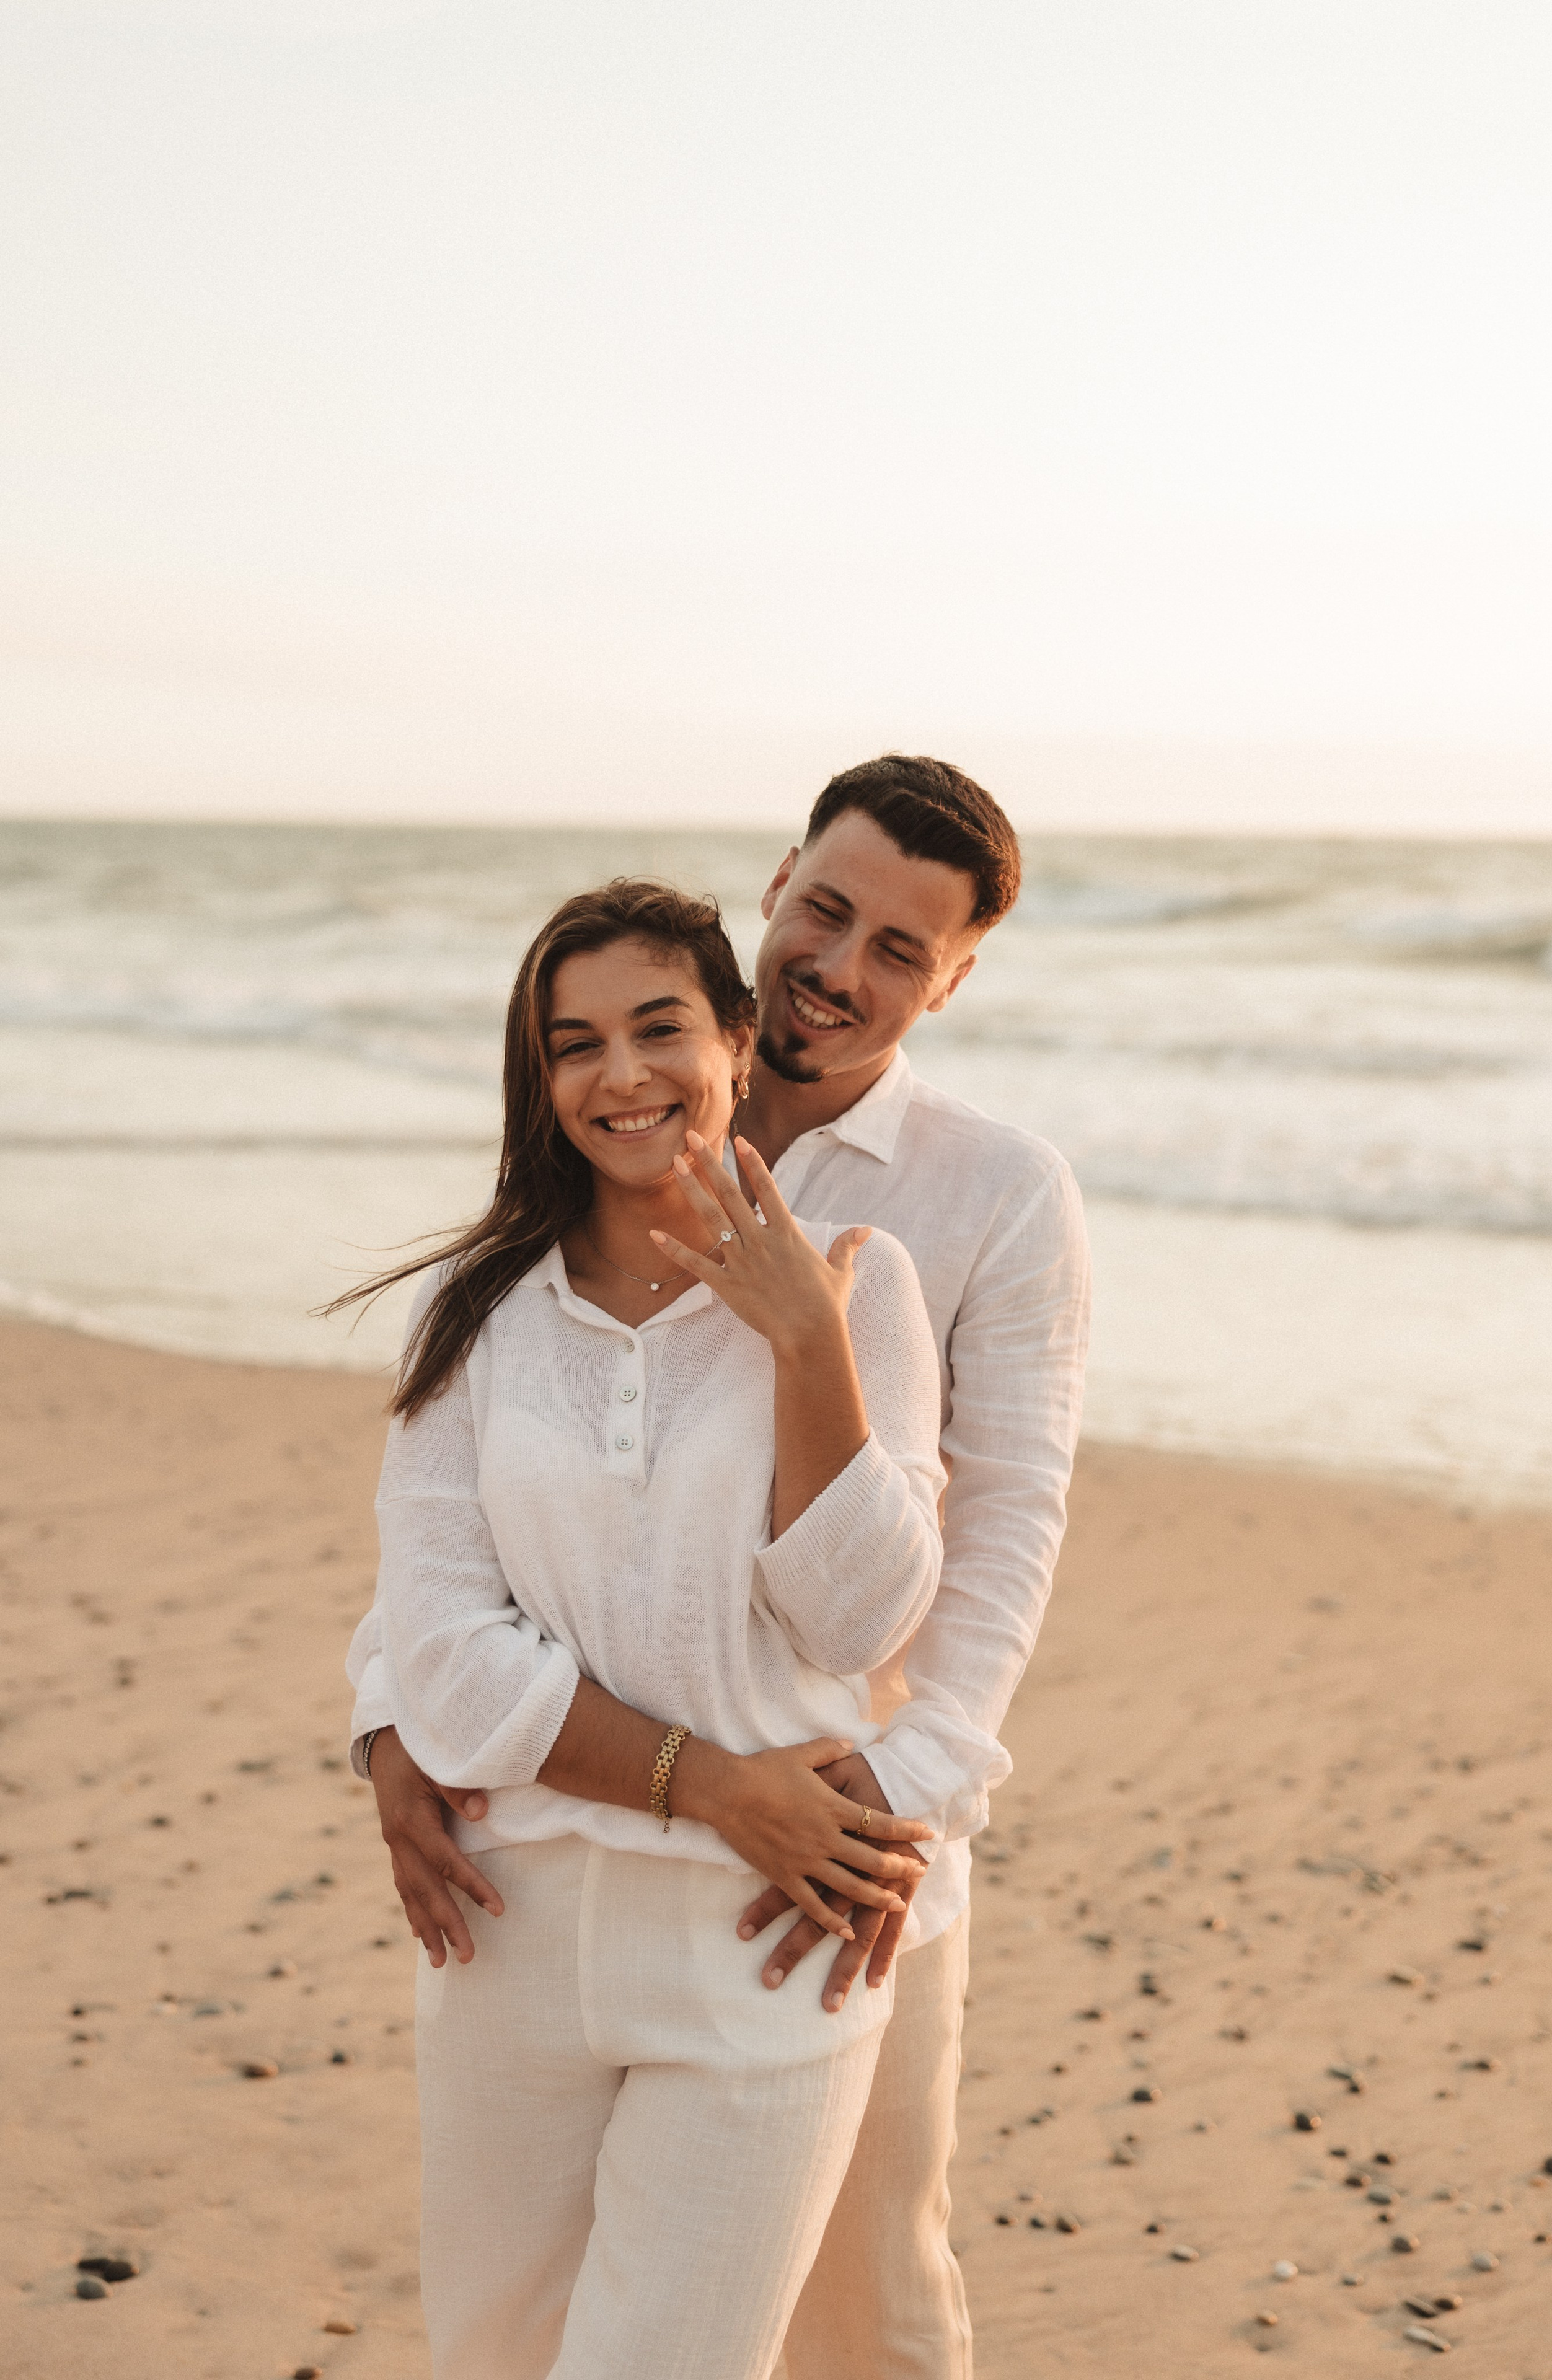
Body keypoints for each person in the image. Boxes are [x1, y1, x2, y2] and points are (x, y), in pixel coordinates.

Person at [352, 755, 1091, 2379]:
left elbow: (1007, 1525)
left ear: (953, 981)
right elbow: (486, 1459)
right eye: (826, 911)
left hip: (858, 1837)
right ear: (777, 886)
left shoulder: (988, 1195)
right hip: (580, 1824)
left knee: (866, 2289)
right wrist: (394, 1711)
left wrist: (886, 1798)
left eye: (903, 948)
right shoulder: (627, 1110)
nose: (843, 964)